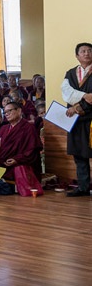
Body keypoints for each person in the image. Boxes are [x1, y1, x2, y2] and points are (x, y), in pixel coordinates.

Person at [0, 101, 43, 181]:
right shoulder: (4, 128)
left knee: (14, 171)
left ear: (19, 111)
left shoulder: (29, 128)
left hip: (20, 162)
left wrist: (17, 160)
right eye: (5, 112)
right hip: (4, 162)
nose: (6, 114)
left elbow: (32, 151)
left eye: (9, 111)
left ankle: (3, 181)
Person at [61, 42, 92, 197]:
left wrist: (77, 107)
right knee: (79, 155)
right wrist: (85, 96)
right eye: (83, 51)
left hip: (90, 120)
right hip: (75, 122)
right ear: (77, 55)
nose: (86, 53)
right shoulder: (71, 73)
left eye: (89, 51)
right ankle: (83, 187)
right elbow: (67, 93)